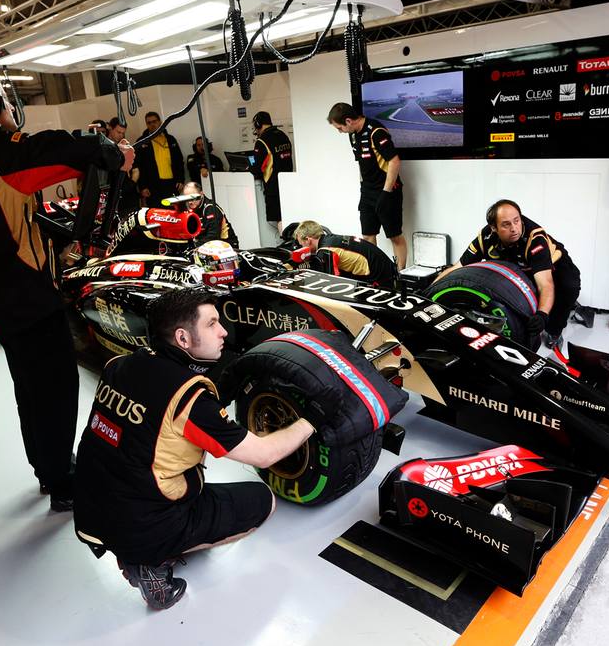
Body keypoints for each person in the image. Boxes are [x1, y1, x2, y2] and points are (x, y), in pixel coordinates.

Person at [0, 64, 134, 510]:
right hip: (26, 290)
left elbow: (6, 210)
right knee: (55, 388)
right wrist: (113, 152)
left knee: (30, 387)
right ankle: (62, 482)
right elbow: (66, 152)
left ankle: (47, 468)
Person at [73, 288, 315, 609]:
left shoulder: (120, 364)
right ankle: (150, 563)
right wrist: (311, 421)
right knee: (262, 500)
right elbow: (264, 454)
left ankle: (141, 546)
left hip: (90, 508)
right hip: (140, 524)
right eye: (212, 324)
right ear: (183, 338)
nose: (223, 332)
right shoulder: (189, 399)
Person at [436, 200, 581, 349]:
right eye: (506, 224)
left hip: (555, 264)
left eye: (517, 221)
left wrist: (542, 315)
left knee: (569, 287)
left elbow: (546, 284)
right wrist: (428, 293)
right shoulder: (485, 238)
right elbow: (458, 267)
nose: (514, 228)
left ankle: (555, 331)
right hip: (521, 264)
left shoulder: (535, 239)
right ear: (494, 228)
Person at [327, 103, 408, 270]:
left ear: (348, 121)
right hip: (367, 191)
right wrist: (363, 188)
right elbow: (362, 164)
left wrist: (386, 193)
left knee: (394, 236)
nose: (340, 132)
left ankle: (400, 275)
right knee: (367, 236)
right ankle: (375, 273)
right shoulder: (353, 135)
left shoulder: (376, 131)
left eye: (340, 128)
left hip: (387, 191)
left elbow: (394, 161)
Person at [293, 220, 396, 287]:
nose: (301, 247)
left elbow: (332, 283)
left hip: (381, 279)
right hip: (388, 268)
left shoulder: (325, 250)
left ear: (308, 240)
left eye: (301, 244)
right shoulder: (331, 239)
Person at [250, 111, 293, 236]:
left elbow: (258, 168)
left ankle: (286, 242)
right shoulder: (283, 135)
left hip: (273, 185)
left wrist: (249, 167)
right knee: (288, 215)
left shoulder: (262, 141)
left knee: (279, 218)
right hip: (288, 184)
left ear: (258, 124)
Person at [134, 111, 184, 204]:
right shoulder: (141, 142)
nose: (152, 124)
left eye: (154, 121)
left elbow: (179, 161)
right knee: (156, 211)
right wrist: (142, 187)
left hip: (172, 184)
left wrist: (181, 179)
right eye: (149, 123)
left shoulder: (170, 139)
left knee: (174, 210)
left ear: (160, 122)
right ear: (146, 124)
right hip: (152, 187)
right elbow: (138, 166)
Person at [177, 181, 239, 248]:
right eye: (187, 198)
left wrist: (193, 246)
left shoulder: (211, 208)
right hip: (206, 244)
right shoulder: (187, 208)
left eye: (193, 197)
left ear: (201, 194)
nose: (190, 202)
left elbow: (213, 237)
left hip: (226, 245)